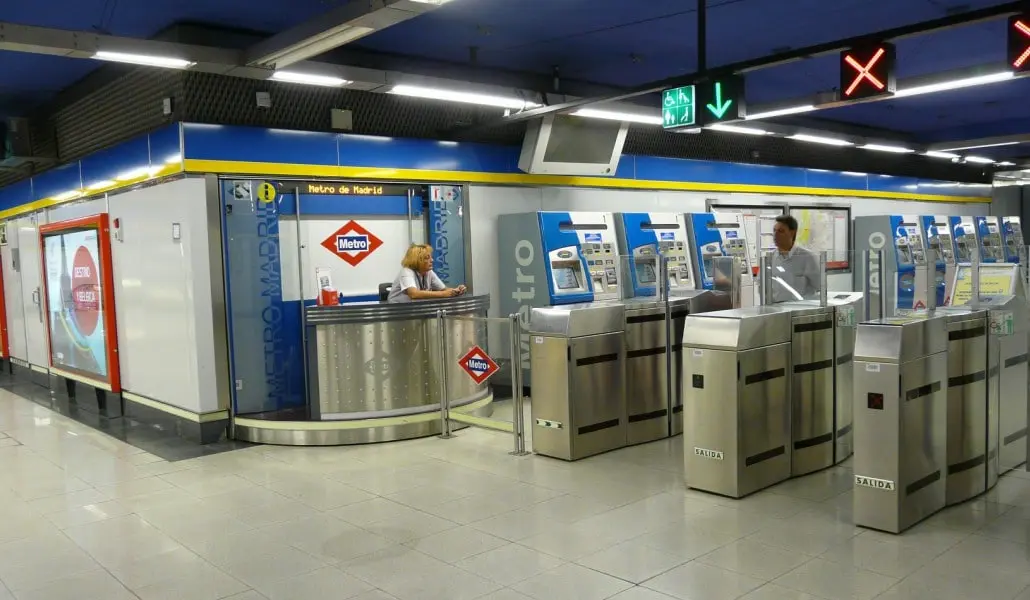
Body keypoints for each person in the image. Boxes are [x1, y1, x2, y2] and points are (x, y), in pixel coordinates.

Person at [387, 244, 467, 303]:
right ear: (417, 260)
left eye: (431, 257)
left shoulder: (429, 272)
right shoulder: (406, 271)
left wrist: (456, 290)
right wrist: (443, 294)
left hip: (414, 310)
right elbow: (414, 294)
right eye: (427, 258)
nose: (432, 260)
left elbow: (444, 290)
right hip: (397, 312)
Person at [768, 214, 821, 302]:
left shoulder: (807, 257)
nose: (775, 235)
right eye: (774, 231)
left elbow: (820, 287)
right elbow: (762, 286)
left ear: (792, 233)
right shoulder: (769, 258)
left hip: (801, 311)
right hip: (777, 310)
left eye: (781, 231)